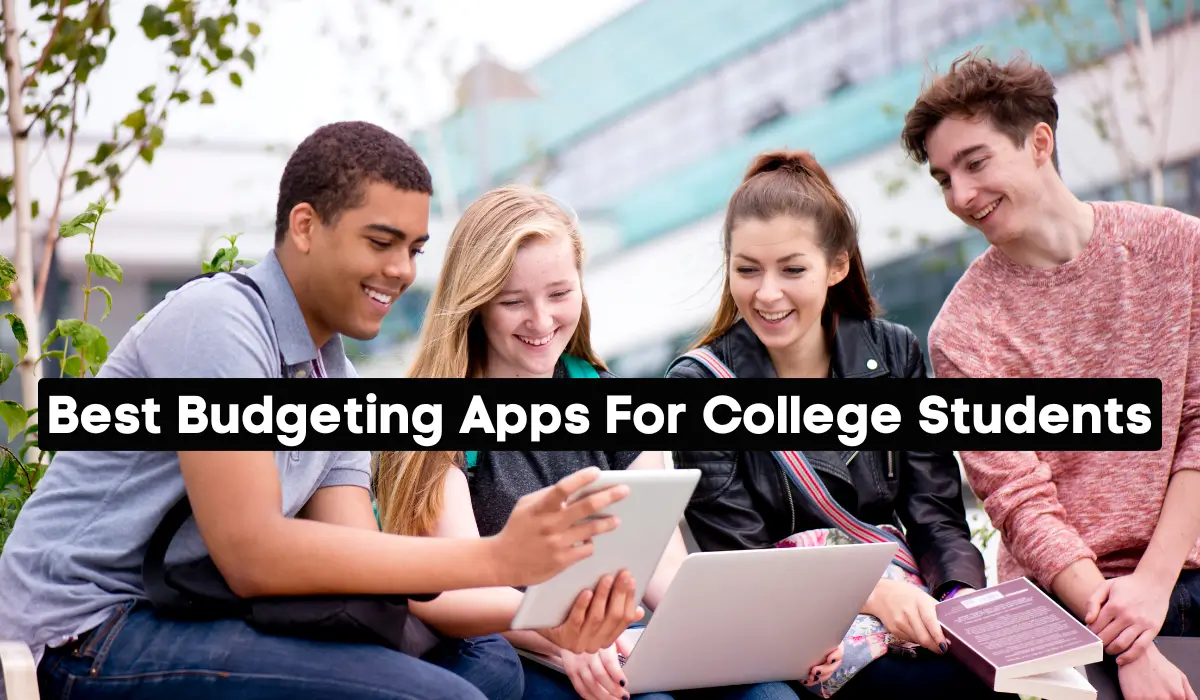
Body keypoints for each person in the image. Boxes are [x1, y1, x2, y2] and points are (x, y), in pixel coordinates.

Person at [0, 122, 636, 700]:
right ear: (304, 227)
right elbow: (252, 554)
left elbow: (362, 564)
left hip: (190, 615)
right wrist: (502, 559)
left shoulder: (335, 378)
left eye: (414, 249)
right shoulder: (220, 322)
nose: (400, 271)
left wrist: (548, 609)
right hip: (84, 629)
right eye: (381, 242)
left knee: (488, 667)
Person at [374, 184, 842, 700]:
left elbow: (662, 567)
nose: (542, 320)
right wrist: (562, 636)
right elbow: (452, 590)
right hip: (516, 652)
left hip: (618, 643)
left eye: (559, 294)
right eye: (513, 302)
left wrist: (761, 634)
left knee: (769, 697)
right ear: (476, 303)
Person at [901, 49, 1200, 700]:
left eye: (975, 163)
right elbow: (1020, 502)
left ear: (1040, 142)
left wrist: (1150, 589)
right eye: (944, 178)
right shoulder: (963, 333)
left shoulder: (1179, 248)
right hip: (1063, 601)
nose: (961, 196)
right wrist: (1127, 639)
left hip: (1181, 569)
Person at [666, 149, 1012, 700]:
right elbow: (740, 561)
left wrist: (954, 601)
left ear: (838, 265)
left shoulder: (892, 352)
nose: (767, 293)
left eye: (792, 269)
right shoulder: (698, 386)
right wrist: (873, 596)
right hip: (797, 633)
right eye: (747, 269)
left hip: (908, 601)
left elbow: (935, 516)